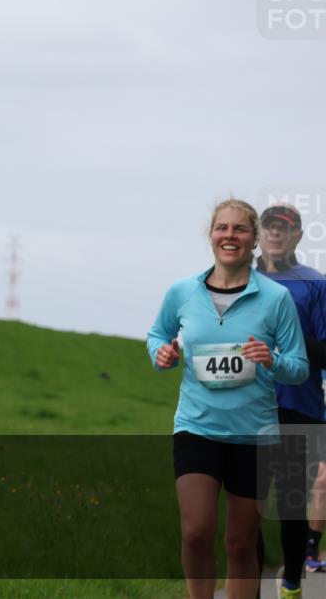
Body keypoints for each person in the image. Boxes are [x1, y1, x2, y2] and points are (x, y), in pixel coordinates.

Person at [147, 199, 309, 599]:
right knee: (197, 530)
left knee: (240, 543)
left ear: (253, 238)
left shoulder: (275, 299)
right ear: (211, 235)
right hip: (197, 427)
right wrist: (162, 354)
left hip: (253, 434)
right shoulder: (182, 291)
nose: (230, 236)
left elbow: (299, 366)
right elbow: (157, 335)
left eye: (239, 229)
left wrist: (271, 359)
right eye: (222, 228)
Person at [251, 203, 326, 598]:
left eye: (286, 228)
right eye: (269, 227)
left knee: (292, 507)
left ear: (298, 236)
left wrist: (284, 340)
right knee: (248, 506)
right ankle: (255, 586)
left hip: (300, 407)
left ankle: (292, 585)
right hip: (246, 408)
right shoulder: (237, 280)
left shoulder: (315, 285)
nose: (276, 234)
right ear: (259, 233)